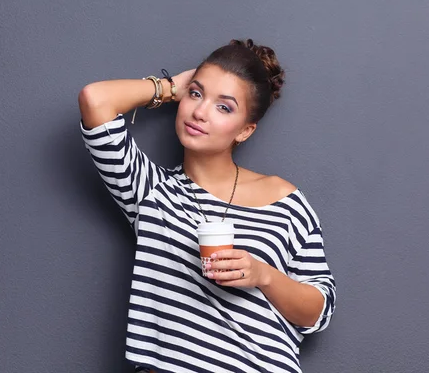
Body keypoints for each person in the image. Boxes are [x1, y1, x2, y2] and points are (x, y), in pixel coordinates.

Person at [78, 39, 336, 373]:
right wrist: (171, 87)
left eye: (224, 107)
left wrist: (263, 275)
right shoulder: (151, 192)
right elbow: (95, 100)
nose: (200, 112)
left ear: (245, 131)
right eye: (196, 94)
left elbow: (319, 313)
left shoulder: (283, 199)